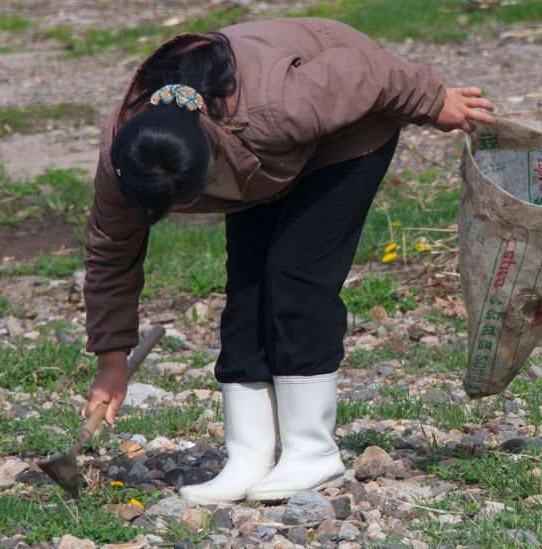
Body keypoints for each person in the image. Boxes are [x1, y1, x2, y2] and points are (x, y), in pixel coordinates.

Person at [82, 17, 495, 504]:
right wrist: (112, 360)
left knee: (297, 281)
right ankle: (249, 455)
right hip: (262, 160)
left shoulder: (279, 106)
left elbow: (367, 71)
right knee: (247, 295)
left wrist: (433, 101)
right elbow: (112, 251)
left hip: (346, 134)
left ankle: (311, 451)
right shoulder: (125, 159)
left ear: (207, 159)